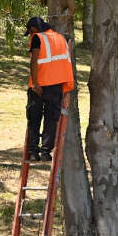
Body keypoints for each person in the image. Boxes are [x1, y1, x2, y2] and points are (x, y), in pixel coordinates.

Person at [24, 17, 74, 161]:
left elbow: (34, 60)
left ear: (36, 27)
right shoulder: (61, 38)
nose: (31, 34)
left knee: (34, 119)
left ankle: (33, 153)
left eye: (31, 30)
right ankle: (46, 152)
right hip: (56, 87)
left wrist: (35, 83)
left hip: (38, 86)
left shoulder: (37, 37)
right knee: (51, 120)